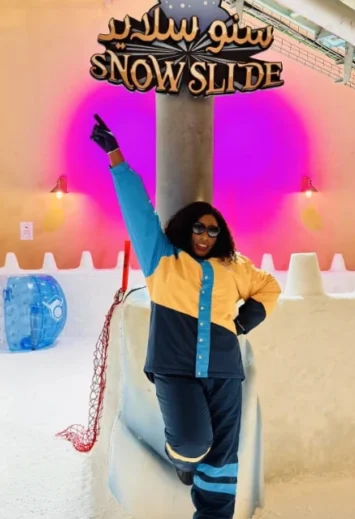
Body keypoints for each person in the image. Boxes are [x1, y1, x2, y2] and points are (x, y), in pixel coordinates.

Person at [91, 114, 281, 519]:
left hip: (225, 371)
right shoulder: (163, 261)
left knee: (224, 458)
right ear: (184, 228)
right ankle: (183, 466)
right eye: (198, 227)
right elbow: (139, 213)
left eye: (213, 230)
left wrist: (244, 321)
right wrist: (115, 156)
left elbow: (269, 288)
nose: (205, 235)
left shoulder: (235, 266)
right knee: (193, 443)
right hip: (174, 369)